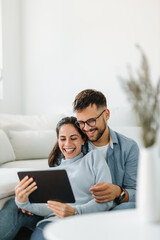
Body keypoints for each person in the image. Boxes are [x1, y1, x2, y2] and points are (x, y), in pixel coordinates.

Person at [0, 117, 112, 240]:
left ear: (83, 139)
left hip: (82, 221)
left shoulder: (93, 159)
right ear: (58, 141)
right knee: (13, 203)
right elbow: (48, 209)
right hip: (52, 223)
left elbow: (107, 201)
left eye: (73, 138)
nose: (68, 144)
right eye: (62, 139)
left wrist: (75, 211)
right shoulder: (51, 173)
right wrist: (23, 202)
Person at [73, 89, 139, 210]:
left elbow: (136, 192)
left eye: (91, 121)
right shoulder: (73, 145)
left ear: (106, 114)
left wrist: (118, 192)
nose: (86, 128)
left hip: (116, 208)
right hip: (81, 209)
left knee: (131, 207)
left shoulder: (129, 147)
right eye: (81, 123)